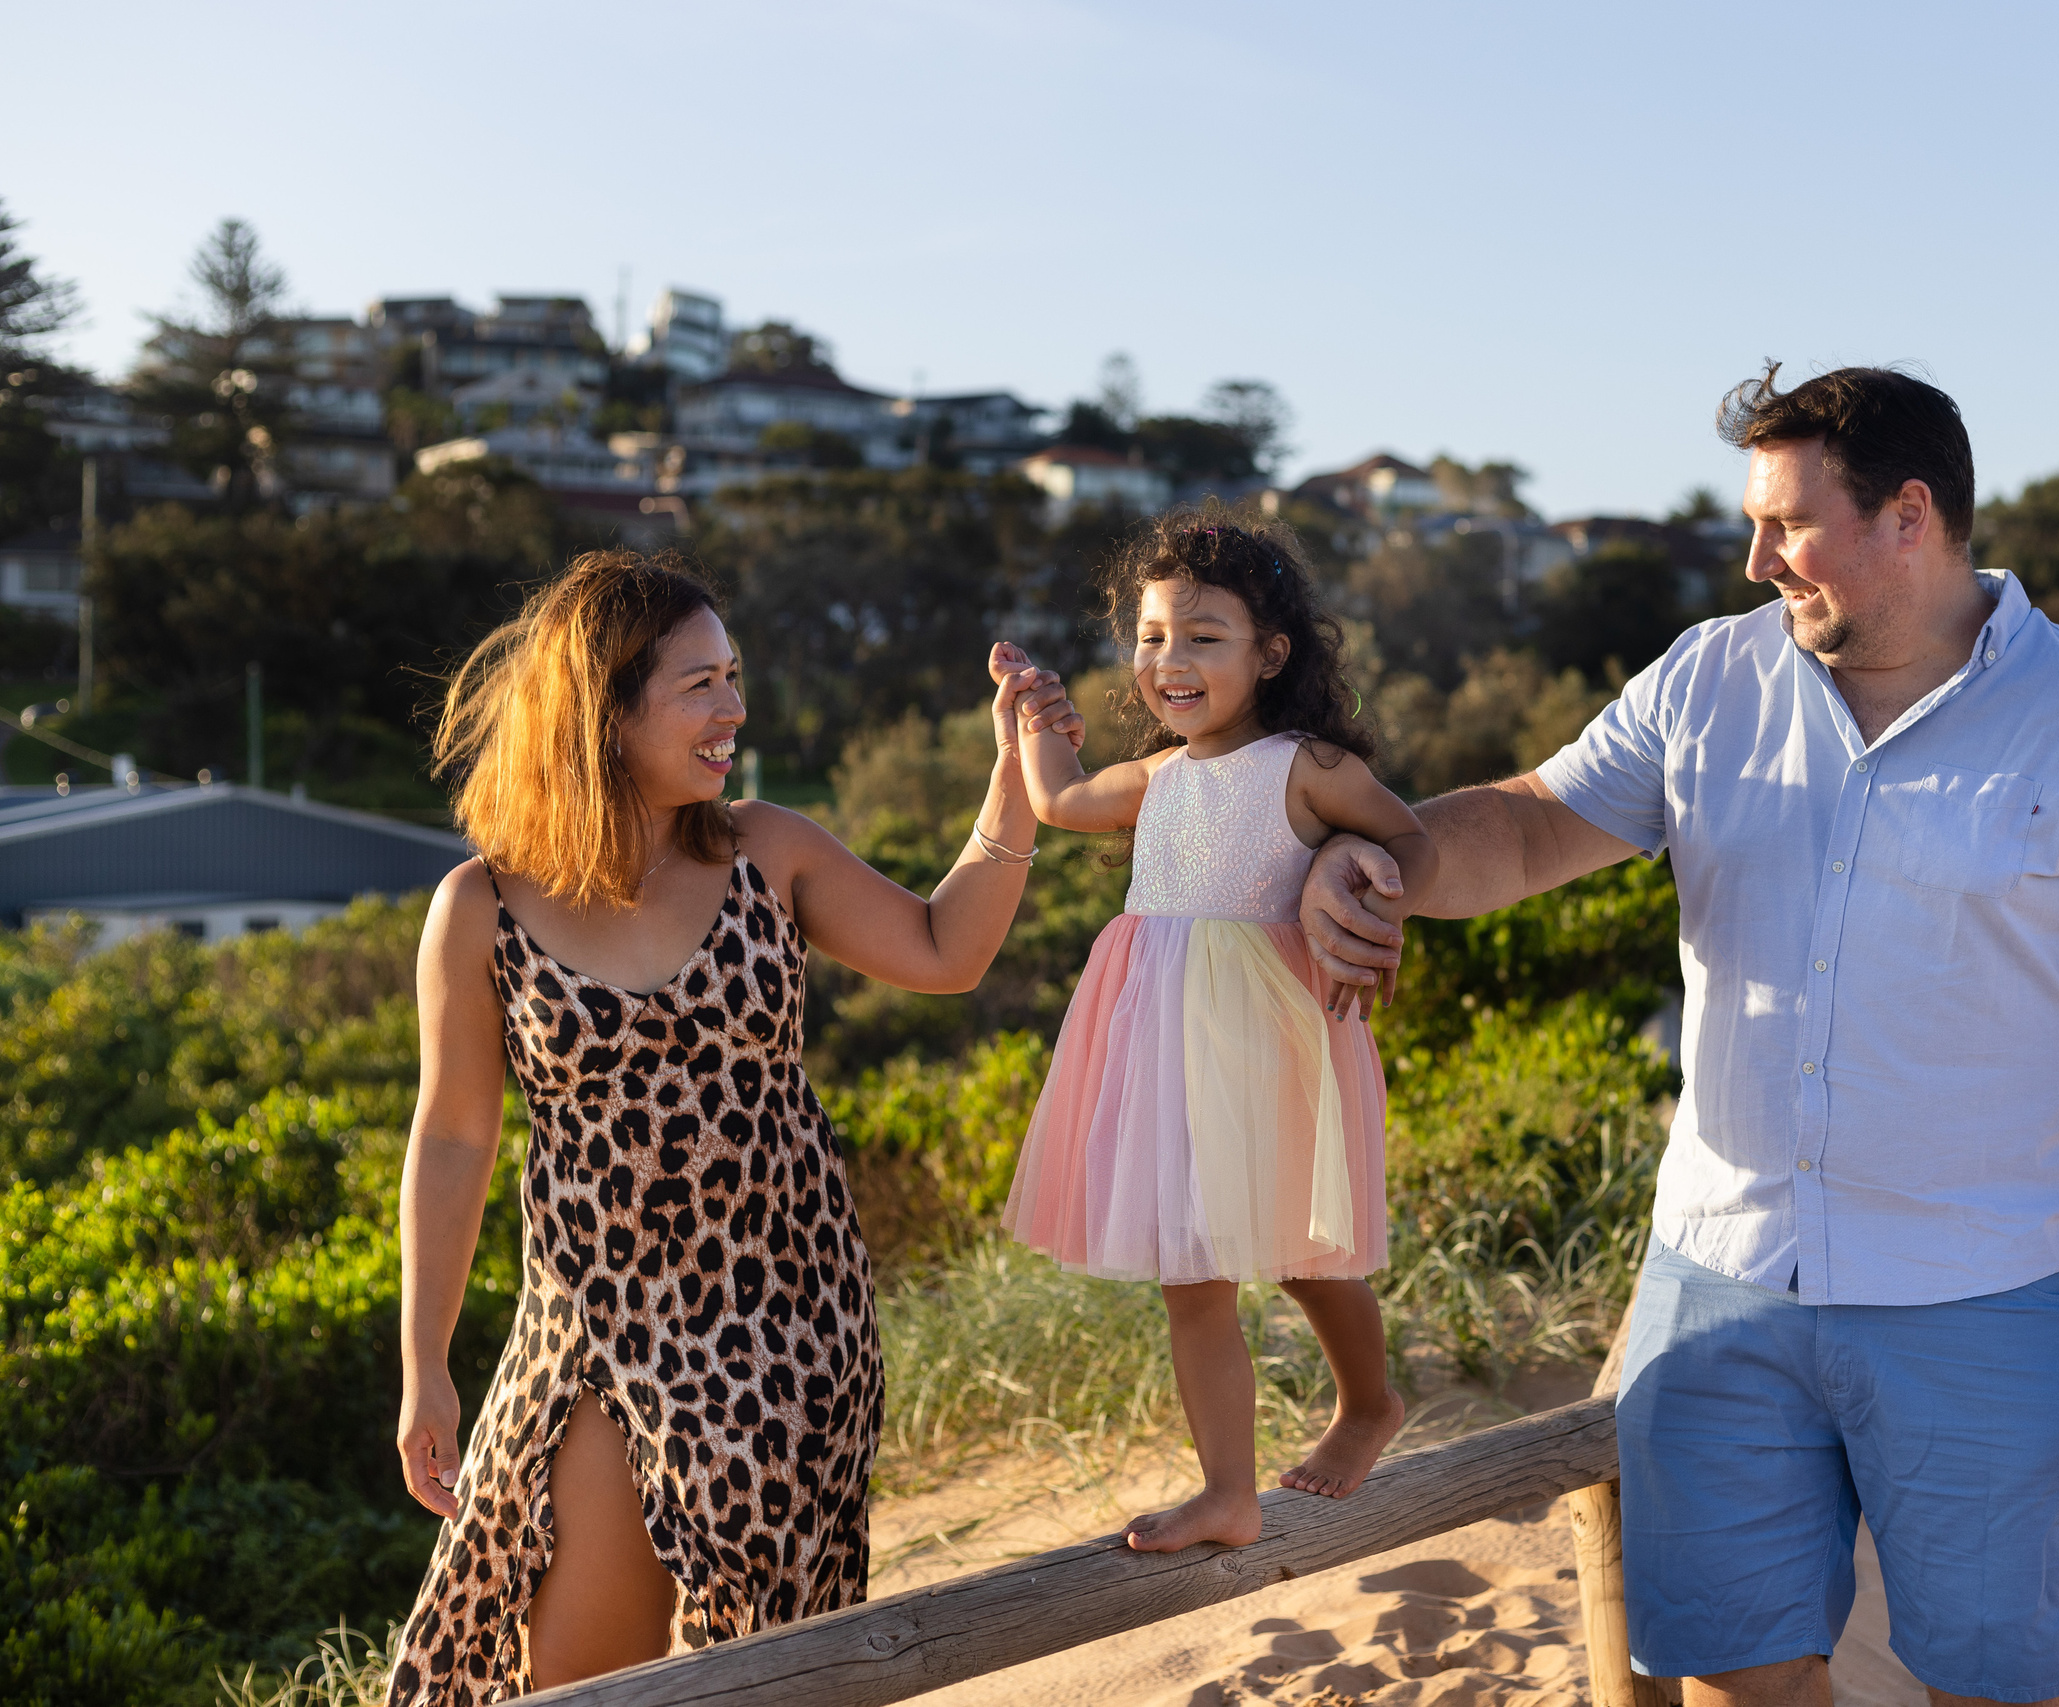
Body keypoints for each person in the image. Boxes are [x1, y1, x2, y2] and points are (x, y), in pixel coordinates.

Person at [1300, 367, 2059, 1707]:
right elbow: (1530, 819)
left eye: (1787, 523)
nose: (1754, 557)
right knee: (1736, 1677)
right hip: (1721, 1282)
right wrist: (1370, 857)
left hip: (1990, 1293)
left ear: (1911, 515)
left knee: (2002, 1683)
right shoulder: (1707, 678)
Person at [387, 550, 1081, 1703]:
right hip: (599, 1325)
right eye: (699, 685)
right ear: (604, 711)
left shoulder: (768, 848)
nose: (734, 710)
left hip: (789, 1321)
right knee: (573, 1666)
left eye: (735, 676)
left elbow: (944, 953)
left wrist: (1012, 782)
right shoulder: (481, 906)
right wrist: (425, 1367)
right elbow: (452, 1138)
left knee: (774, 1662)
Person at [997, 508, 1436, 1552]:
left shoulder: (1305, 765)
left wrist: (1371, 887)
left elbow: (1410, 838)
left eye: (1203, 637)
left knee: (1306, 1253)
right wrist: (1028, 721)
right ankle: (1227, 1493)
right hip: (1159, 1049)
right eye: (1151, 637)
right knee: (1188, 1274)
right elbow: (1057, 802)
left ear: (1270, 653)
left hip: (1268, 1036)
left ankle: (1368, 1404)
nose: (1170, 661)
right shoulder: (1157, 778)